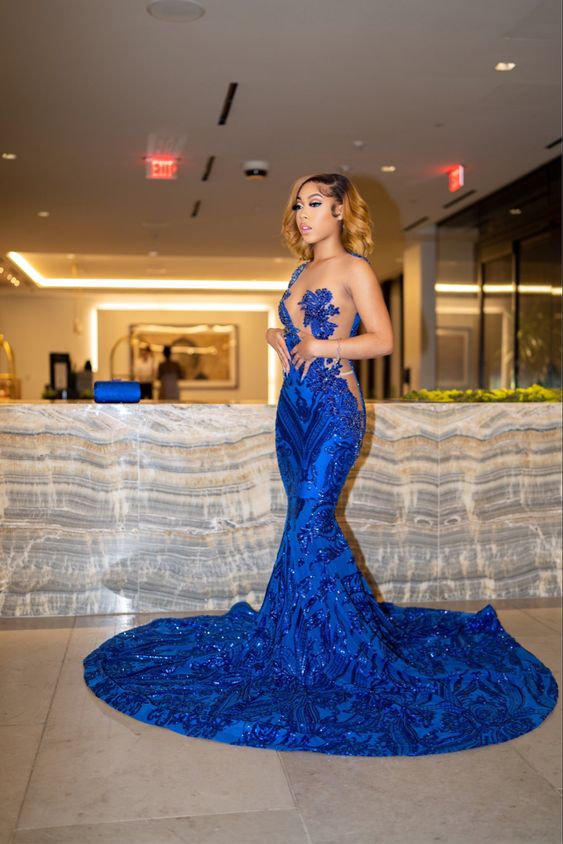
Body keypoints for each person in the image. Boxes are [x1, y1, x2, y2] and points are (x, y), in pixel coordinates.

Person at [83, 173, 558, 756]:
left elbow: (382, 340)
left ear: (339, 211)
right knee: (300, 523)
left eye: (315, 203)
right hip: (292, 411)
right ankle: (298, 640)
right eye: (298, 205)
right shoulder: (298, 273)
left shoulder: (355, 268)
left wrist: (321, 346)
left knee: (312, 519)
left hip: (335, 408)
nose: (303, 214)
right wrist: (274, 333)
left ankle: (344, 649)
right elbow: (295, 330)